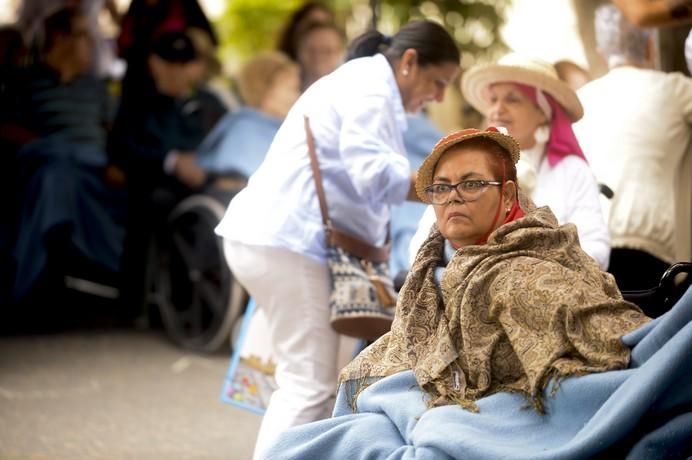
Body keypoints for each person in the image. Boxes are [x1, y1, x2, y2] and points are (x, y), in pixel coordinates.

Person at [260, 128, 680, 460]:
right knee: (292, 446)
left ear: (508, 195)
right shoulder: (430, 266)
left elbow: (603, 339)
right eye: (440, 188)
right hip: (428, 397)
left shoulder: (528, 266)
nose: (453, 196)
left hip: (503, 410)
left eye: (472, 183)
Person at [215, 19, 461, 459]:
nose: (440, 97)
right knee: (309, 384)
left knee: (317, 381)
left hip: (283, 243)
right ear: (409, 62)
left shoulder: (366, 85)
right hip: (290, 245)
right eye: (438, 82)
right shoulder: (368, 88)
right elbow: (373, 175)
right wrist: (449, 185)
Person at [410, 53, 611, 271]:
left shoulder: (572, 171)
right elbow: (420, 246)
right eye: (494, 99)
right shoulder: (466, 164)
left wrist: (537, 275)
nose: (498, 109)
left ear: (543, 111)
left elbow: (595, 248)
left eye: (513, 99)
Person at [2, 6, 125, 305]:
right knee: (54, 174)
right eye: (84, 35)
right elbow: (9, 128)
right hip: (46, 166)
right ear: (60, 39)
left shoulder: (97, 88)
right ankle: (42, 265)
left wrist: (114, 163)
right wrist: (50, 147)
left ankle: (51, 264)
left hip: (91, 170)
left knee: (61, 176)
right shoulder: (28, 82)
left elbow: (114, 134)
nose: (93, 43)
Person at [573, 4, 692, 292]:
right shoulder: (676, 90)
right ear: (651, 46)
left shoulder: (579, 101)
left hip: (588, 247)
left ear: (603, 53)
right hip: (655, 247)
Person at [108, 30, 226, 311]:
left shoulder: (209, 104)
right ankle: (151, 301)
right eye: (171, 63)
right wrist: (172, 161)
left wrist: (207, 168)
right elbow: (121, 152)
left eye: (185, 64)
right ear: (155, 64)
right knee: (156, 205)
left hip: (207, 184)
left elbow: (228, 142)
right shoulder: (137, 103)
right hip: (153, 186)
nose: (179, 72)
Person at [196, 51, 301, 178]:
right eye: (292, 89)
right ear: (265, 91)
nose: (298, 96)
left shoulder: (275, 128)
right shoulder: (245, 132)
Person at [294, 20, 345, 91]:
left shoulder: (352, 92)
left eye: (327, 51)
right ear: (299, 51)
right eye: (312, 50)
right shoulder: (283, 93)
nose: (319, 56)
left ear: (340, 53)